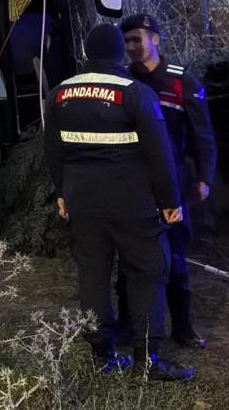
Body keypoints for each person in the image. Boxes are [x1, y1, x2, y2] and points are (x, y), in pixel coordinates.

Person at [44, 23, 193, 381]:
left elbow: (53, 150)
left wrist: (62, 193)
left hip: (82, 204)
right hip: (134, 205)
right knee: (146, 275)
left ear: (87, 54)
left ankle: (102, 354)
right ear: (118, 53)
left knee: (92, 275)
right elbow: (161, 154)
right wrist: (171, 200)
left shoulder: (60, 94)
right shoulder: (135, 92)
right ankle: (147, 362)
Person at [119, 13, 217, 350]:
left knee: (175, 259)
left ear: (156, 39)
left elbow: (204, 136)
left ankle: (184, 328)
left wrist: (205, 178)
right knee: (129, 260)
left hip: (176, 183)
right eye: (127, 40)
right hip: (132, 185)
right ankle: (129, 327)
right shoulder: (122, 81)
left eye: (138, 38)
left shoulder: (182, 82)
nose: (132, 46)